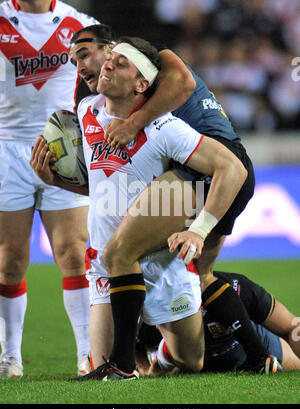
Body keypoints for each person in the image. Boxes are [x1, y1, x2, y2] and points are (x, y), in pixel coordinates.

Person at [31, 35, 271, 381]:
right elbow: (103, 187)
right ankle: (125, 364)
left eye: (110, 58)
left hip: (183, 220)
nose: (100, 65)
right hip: (107, 263)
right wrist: (55, 181)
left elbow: (231, 167)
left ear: (143, 81)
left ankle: (262, 351)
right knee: (116, 265)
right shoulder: (87, 111)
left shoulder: (163, 125)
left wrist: (198, 229)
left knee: (192, 360)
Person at [0, 0, 101, 378]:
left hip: (64, 147)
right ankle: (10, 357)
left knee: (74, 254)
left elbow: (104, 77)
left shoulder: (82, 25)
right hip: (6, 147)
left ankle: (87, 353)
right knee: (9, 259)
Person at [135, 270, 300, 375]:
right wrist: (148, 371)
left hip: (248, 347)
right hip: (190, 365)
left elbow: (292, 326)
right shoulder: (146, 310)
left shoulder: (235, 288)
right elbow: (135, 351)